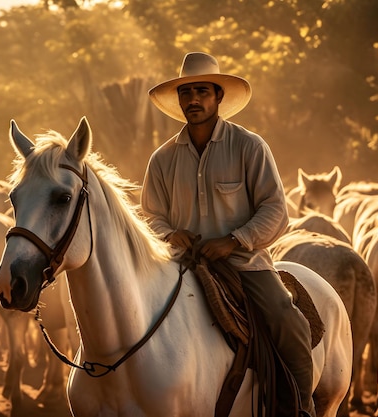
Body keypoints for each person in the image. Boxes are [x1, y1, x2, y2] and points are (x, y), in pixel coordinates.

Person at [141, 52, 315, 416]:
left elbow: (275, 209)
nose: (192, 100)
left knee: (287, 319)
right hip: (180, 265)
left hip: (244, 266)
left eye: (201, 91)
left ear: (218, 97)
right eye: (185, 92)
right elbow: (150, 215)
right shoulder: (162, 159)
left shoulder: (250, 146)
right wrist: (171, 234)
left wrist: (235, 240)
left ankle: (300, 408)